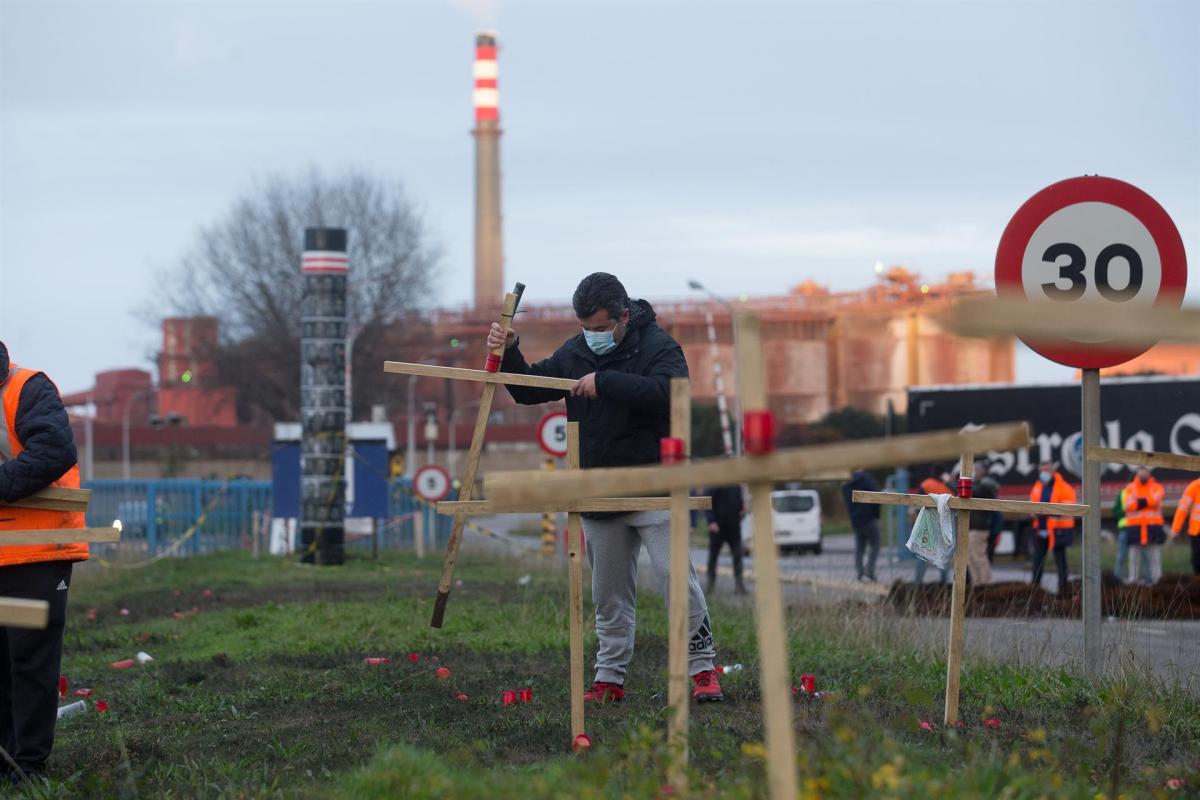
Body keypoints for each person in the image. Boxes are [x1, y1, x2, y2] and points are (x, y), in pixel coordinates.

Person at [488, 273, 723, 703]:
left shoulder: (658, 347)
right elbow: (528, 390)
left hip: (655, 485)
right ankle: (609, 678)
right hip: (597, 487)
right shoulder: (576, 351)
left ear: (622, 317)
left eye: (599, 328)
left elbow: (673, 393)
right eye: (586, 328)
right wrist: (510, 353)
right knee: (609, 595)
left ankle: (702, 668)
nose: (592, 336)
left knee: (676, 579)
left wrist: (606, 382)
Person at [0, 342, 89, 783]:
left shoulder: (27, 388)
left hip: (36, 552)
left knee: (29, 662)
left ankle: (28, 770)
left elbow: (54, 452)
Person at [1029, 461, 1076, 594]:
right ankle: (1035, 589)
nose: (1044, 473)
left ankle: (1063, 589)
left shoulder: (1064, 487)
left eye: (1047, 470)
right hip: (1040, 529)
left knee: (1060, 561)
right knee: (1037, 560)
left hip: (1058, 530)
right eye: (1042, 471)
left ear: (1052, 470)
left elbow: (1068, 507)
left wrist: (1050, 511)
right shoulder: (1037, 486)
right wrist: (1033, 512)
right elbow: (1032, 503)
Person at [1124, 466, 1166, 584]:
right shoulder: (1130, 488)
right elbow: (1129, 505)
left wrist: (1140, 501)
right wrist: (1147, 502)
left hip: (1153, 527)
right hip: (1135, 527)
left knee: (1154, 556)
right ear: (1137, 474)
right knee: (1133, 556)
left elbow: (1156, 500)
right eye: (1140, 473)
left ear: (1149, 473)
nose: (1143, 475)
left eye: (1145, 472)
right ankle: (1133, 580)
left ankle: (1157, 580)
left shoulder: (1157, 487)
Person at [705, 483, 746, 594]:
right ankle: (710, 586)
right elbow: (707, 502)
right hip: (718, 526)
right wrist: (711, 521)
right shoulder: (717, 482)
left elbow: (740, 502)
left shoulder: (737, 485)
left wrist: (742, 510)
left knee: (738, 555)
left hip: (734, 526)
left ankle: (739, 586)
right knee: (713, 556)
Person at [841, 469, 881, 582]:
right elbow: (877, 495)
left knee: (860, 547)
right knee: (875, 543)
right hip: (869, 517)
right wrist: (876, 514)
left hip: (855, 519)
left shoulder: (845, 484)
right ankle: (870, 571)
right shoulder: (866, 479)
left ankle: (859, 572)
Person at [965, 461, 999, 585]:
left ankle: (986, 582)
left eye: (974, 470)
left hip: (979, 528)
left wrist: (951, 482)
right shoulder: (980, 484)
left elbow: (970, 492)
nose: (973, 472)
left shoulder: (985, 486)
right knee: (970, 557)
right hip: (972, 527)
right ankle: (977, 583)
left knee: (978, 556)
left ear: (981, 471)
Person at [1170, 477, 1200, 575]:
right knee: (1197, 560)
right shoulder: (1194, 487)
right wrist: (1175, 529)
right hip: (1197, 532)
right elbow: (1182, 509)